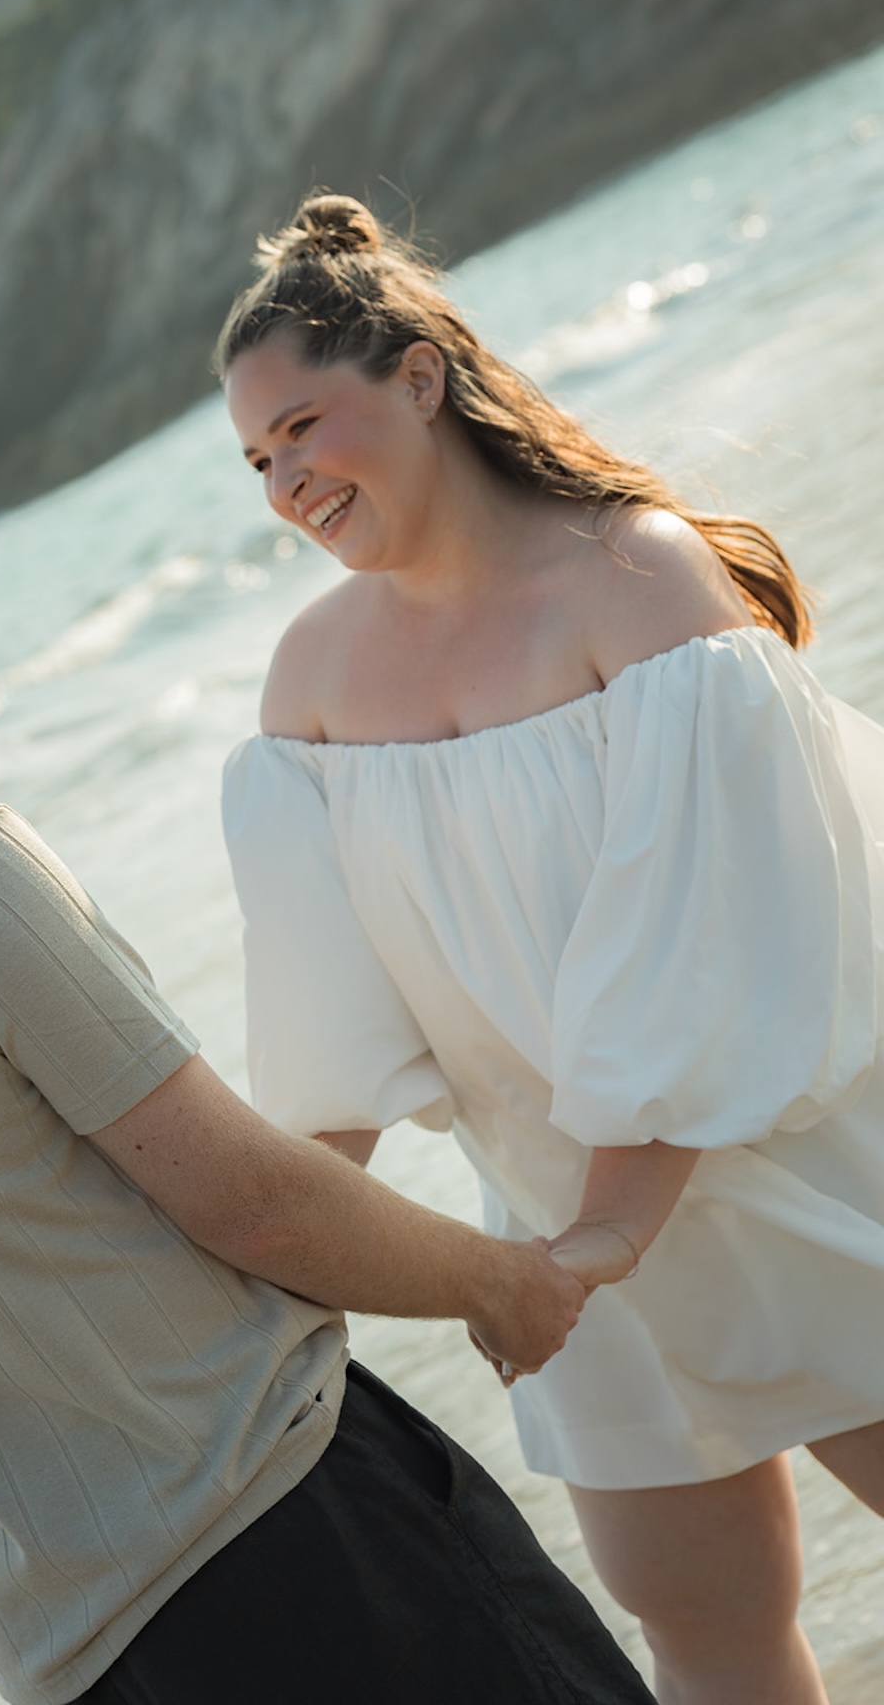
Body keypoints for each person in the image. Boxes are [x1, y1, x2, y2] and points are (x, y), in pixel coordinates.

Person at [0, 435, 654, 1705]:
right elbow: (248, 1201)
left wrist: (14, 1367)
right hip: (304, 1542)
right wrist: (502, 1283)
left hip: (68, 1660)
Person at [217, 194, 884, 1705]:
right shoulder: (307, 687)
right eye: (260, 460)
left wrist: (609, 1233)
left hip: (783, 1163)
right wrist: (267, 1272)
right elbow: (332, 1041)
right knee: (705, 1632)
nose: (287, 480)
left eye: (306, 425)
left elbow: (708, 945)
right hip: (556, 1246)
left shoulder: (630, 577)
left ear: (420, 379)